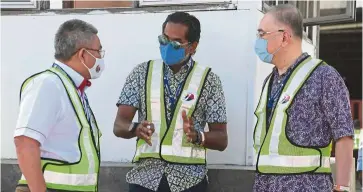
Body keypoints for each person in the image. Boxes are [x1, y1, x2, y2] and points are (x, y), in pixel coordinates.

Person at [113, 11, 228, 192]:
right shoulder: (141, 73)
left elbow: (221, 139)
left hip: (189, 181)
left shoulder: (209, 81)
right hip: (145, 179)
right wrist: (135, 129)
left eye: (176, 42)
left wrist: (198, 136)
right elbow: (119, 125)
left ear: (192, 46)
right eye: (164, 39)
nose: (167, 47)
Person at [252, 4, 354, 192]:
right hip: (265, 185)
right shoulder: (270, 81)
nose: (258, 40)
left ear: (284, 37)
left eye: (262, 34)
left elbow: (344, 135)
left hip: (307, 186)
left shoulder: (324, 76)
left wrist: (342, 186)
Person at [14, 19, 105, 192]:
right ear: (83, 54)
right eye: (99, 51)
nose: (101, 57)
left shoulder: (71, 88)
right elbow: (25, 143)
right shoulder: (48, 85)